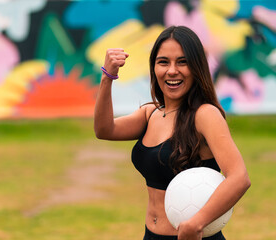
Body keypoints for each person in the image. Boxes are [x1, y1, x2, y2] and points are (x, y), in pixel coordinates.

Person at [94, 26, 251, 240]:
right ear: (154, 67)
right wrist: (107, 78)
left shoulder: (205, 115)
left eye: (183, 62)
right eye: (163, 62)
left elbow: (239, 177)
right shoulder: (150, 113)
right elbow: (104, 129)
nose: (172, 70)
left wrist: (197, 222)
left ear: (197, 67)